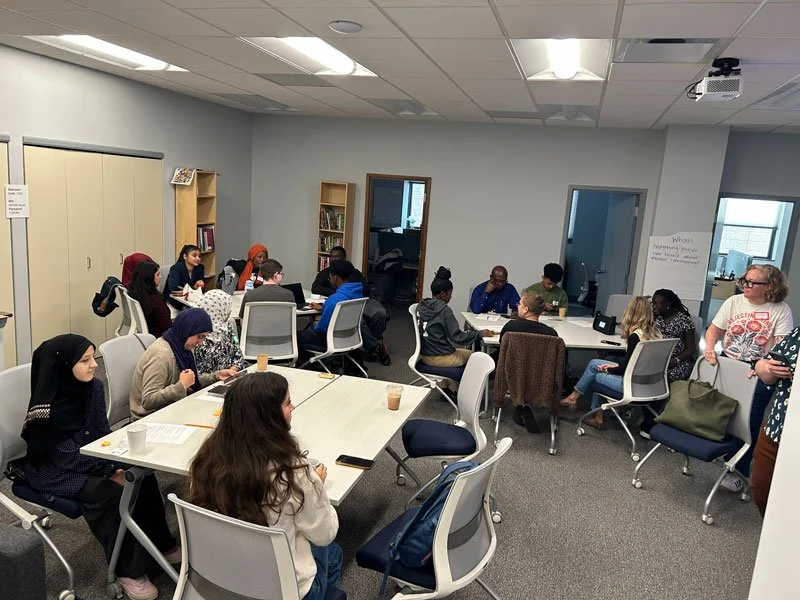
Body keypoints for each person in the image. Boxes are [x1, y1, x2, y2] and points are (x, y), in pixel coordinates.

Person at [20, 334, 178, 600]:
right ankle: (129, 570)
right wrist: (107, 471)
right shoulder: (49, 409)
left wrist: (115, 463)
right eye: (85, 360)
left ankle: (160, 545)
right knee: (110, 493)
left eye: (94, 357)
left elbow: (102, 435)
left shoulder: (92, 388)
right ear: (64, 366)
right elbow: (66, 459)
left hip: (90, 458)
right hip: (55, 471)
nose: (94, 364)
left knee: (142, 476)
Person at [187, 372, 342, 600]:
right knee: (333, 550)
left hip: (222, 579)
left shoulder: (206, 460)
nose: (293, 407)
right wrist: (316, 486)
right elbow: (325, 533)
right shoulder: (293, 471)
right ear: (270, 416)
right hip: (282, 591)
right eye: (288, 403)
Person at [704, 264, 793, 492]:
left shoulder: (780, 310)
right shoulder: (733, 302)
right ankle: (721, 452)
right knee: (722, 412)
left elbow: (781, 346)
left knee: (749, 422)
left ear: (770, 286)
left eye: (753, 282)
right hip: (729, 364)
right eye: (745, 280)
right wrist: (710, 348)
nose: (746, 285)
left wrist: (765, 365)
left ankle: (739, 470)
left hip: (758, 371)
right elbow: (714, 329)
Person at [560, 296, 661, 429]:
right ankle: (577, 400)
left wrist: (609, 369)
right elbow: (636, 364)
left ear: (631, 312)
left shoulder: (635, 337)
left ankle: (590, 411)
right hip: (652, 385)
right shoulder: (657, 334)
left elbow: (626, 369)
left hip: (632, 385)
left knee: (596, 373)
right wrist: (612, 366)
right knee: (594, 363)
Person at [129, 308, 238, 421]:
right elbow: (148, 401)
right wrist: (180, 386)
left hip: (171, 408)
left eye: (204, 337)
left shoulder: (182, 347)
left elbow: (190, 382)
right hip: (149, 418)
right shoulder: (161, 355)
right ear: (187, 330)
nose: (200, 343)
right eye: (199, 336)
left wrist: (215, 376)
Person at [311, 246, 390, 365]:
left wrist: (344, 295)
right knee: (357, 319)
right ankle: (376, 346)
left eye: (337, 256)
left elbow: (366, 290)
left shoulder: (352, 272)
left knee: (380, 313)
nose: (333, 259)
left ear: (344, 258)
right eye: (331, 256)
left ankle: (373, 344)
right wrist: (340, 294)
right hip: (342, 303)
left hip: (361, 301)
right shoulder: (326, 273)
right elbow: (315, 288)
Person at [751, 325, 798, 516]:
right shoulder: (797, 334)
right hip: (776, 427)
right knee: (761, 490)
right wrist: (765, 366)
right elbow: (767, 373)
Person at [417, 267, 493, 368]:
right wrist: (480, 334)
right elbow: (457, 337)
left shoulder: (422, 305)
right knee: (478, 357)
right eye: (449, 294)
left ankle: (445, 382)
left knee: (466, 352)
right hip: (442, 357)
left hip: (425, 355)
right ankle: (466, 382)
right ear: (442, 294)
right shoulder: (444, 310)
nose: (450, 297)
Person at [298, 260, 365, 363]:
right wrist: (324, 307)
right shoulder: (357, 293)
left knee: (296, 337)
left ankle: (310, 365)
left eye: (330, 276)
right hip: (350, 338)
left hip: (330, 340)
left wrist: (314, 326)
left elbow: (321, 329)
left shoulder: (334, 300)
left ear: (335, 278)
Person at [195, 290, 247, 374]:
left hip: (229, 378)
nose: (229, 312)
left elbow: (239, 357)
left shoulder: (226, 327)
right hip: (208, 384)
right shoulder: (197, 337)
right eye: (227, 308)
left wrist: (232, 371)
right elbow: (197, 374)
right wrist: (218, 377)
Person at [127, 260, 172, 338]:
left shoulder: (137, 293)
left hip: (150, 333)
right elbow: (167, 327)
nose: (160, 277)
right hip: (161, 338)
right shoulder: (156, 301)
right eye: (158, 275)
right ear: (149, 278)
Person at [164, 245, 205, 309]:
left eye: (199, 256)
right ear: (185, 256)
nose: (198, 258)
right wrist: (192, 290)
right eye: (194, 255)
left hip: (191, 301)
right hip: (173, 301)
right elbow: (174, 289)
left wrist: (190, 289)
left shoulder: (200, 268)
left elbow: (200, 289)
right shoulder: (175, 268)